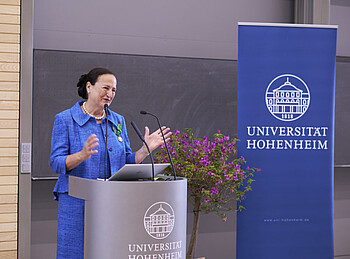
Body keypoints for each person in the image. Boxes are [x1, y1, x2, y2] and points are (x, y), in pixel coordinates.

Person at [50, 67, 171, 259]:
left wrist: (144, 150)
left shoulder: (118, 121)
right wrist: (81, 155)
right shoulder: (65, 119)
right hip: (77, 201)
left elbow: (124, 162)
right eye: (106, 88)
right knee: (76, 251)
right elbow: (56, 162)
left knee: (110, 250)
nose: (110, 94)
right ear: (89, 87)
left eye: (114, 90)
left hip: (112, 199)